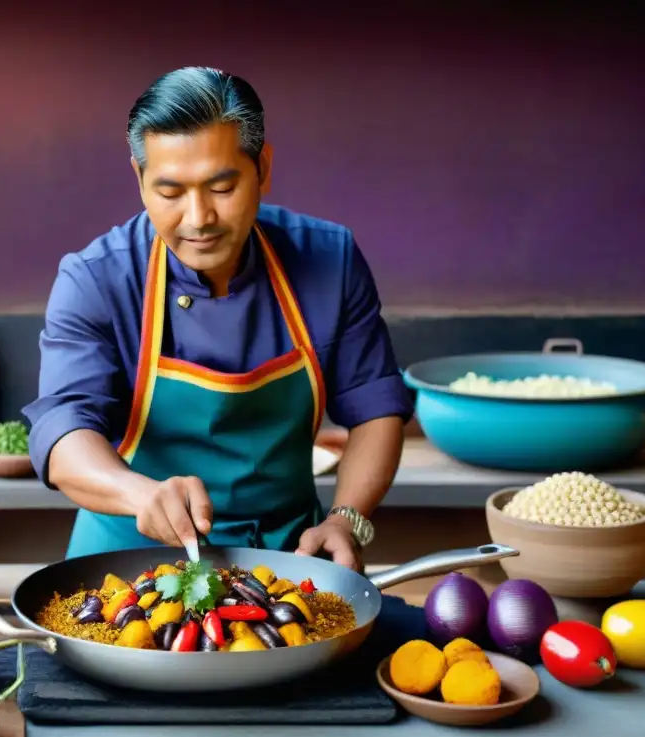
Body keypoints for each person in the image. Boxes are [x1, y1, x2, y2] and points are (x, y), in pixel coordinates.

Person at [23, 66, 413, 570]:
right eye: (169, 193)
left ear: (262, 168)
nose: (198, 218)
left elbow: (375, 408)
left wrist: (345, 519)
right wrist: (137, 494)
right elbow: (62, 428)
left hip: (289, 561)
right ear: (139, 180)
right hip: (125, 565)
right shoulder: (95, 279)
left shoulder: (329, 259)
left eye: (222, 187)